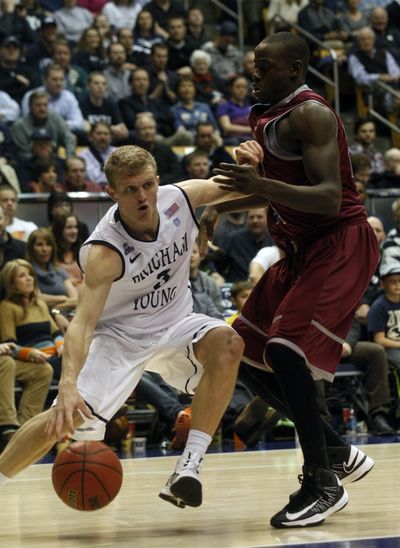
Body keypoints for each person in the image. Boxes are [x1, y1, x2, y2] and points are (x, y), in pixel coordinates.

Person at [0, 145, 245, 512]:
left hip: (176, 323)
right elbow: (82, 324)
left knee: (230, 343)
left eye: (148, 185)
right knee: (63, 418)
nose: (143, 196)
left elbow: (245, 189)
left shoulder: (178, 198)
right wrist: (67, 385)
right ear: (112, 193)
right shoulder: (105, 251)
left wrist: (250, 170)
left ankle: (188, 467)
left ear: (158, 181)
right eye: (130, 189)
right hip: (120, 339)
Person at [202, 32, 379, 528]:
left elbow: (326, 196)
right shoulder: (265, 113)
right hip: (300, 250)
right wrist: (220, 209)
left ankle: (321, 481)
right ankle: (336, 448)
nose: (252, 73)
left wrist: (256, 186)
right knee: (238, 348)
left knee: (284, 348)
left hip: (339, 241)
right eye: (252, 65)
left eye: (263, 66)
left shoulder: (311, 114)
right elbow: (279, 192)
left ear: (295, 70)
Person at [0, 259, 63, 381]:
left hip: (57, 355)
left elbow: (56, 333)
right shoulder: (6, 307)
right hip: (38, 359)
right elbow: (10, 345)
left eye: (30, 274)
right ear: (12, 282)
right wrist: (29, 353)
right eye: (22, 276)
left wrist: (62, 344)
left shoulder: (40, 304)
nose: (29, 278)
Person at [26, 228, 78, 315]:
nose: (44, 249)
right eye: (39, 245)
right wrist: (63, 298)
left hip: (66, 315)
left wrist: (56, 308)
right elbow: (37, 298)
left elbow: (76, 300)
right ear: (31, 249)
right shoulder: (28, 273)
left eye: (48, 244)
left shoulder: (59, 271)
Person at [50, 211, 84, 287]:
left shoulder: (82, 251)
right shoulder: (50, 253)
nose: (74, 231)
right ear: (59, 230)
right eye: (69, 227)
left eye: (76, 227)